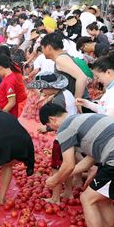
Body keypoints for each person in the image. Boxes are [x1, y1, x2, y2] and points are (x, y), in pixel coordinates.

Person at [27, 73, 77, 203]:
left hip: (63, 134)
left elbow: (57, 120)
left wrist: (48, 128)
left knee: (57, 166)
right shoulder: (66, 93)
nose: (41, 91)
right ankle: (68, 192)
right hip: (73, 131)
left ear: (50, 87)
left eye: (43, 88)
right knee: (67, 162)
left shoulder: (58, 101)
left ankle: (55, 198)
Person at [41, 32, 91, 103]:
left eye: (42, 48)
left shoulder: (61, 59)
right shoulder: (62, 57)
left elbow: (82, 78)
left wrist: (76, 102)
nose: (42, 51)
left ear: (49, 47)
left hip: (81, 105)